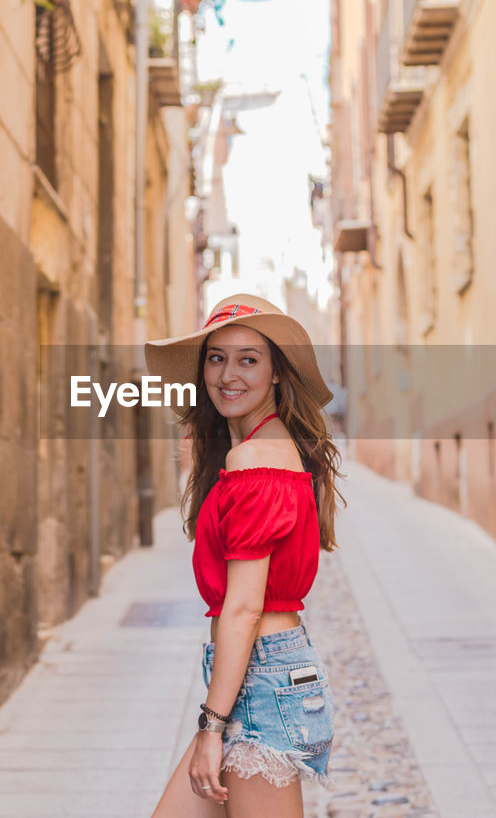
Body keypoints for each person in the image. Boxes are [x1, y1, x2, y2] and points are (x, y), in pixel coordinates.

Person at [146, 294, 344, 818]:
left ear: (277, 372)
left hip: (261, 682)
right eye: (216, 358)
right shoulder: (261, 450)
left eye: (248, 359)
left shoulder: (256, 458)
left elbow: (243, 608)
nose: (228, 374)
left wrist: (211, 726)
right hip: (252, 679)